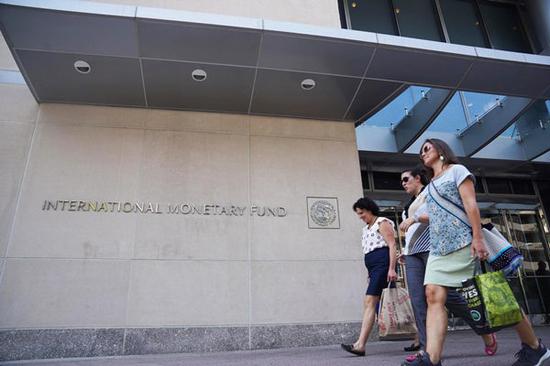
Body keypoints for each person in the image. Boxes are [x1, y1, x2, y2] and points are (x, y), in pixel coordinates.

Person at [403, 138, 550, 366]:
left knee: (492, 297)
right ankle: (431, 358)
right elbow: (436, 216)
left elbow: (470, 205)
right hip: (438, 247)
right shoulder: (431, 185)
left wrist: (477, 237)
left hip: (463, 242)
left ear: (441, 150)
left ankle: (534, 347)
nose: (423, 153)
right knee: (432, 294)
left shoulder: (457, 171)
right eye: (421, 152)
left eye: (427, 148)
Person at [399, 166, 496, 361]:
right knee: (418, 300)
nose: (403, 184)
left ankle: (485, 330)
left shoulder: (431, 191)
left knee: (451, 297)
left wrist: (415, 217)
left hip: (434, 250)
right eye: (401, 181)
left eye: (406, 179)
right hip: (412, 254)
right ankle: (427, 352)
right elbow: (410, 230)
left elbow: (442, 216)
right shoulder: (408, 204)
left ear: (418, 178)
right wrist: (405, 250)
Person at [341, 197, 398, 357]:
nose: (360, 216)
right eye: (358, 214)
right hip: (374, 268)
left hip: (383, 265)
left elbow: (392, 245)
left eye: (362, 212)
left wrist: (392, 268)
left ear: (370, 209)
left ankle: (360, 345)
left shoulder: (382, 222)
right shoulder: (366, 228)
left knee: (369, 302)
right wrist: (369, 273)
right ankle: (417, 337)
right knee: (388, 302)